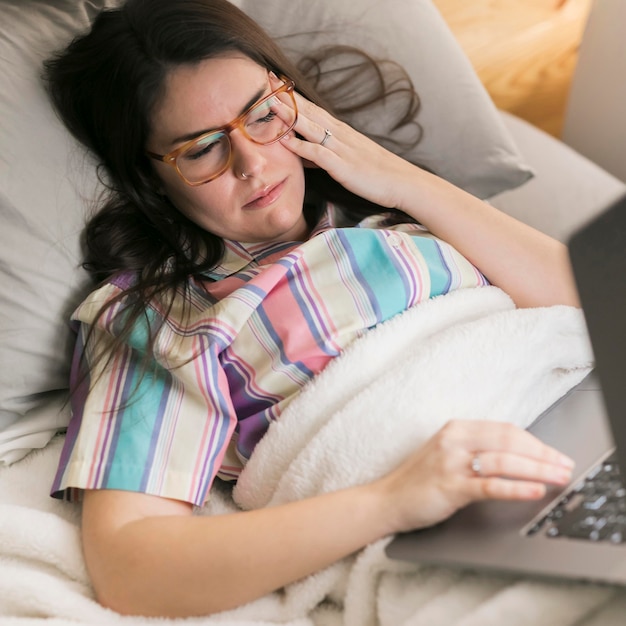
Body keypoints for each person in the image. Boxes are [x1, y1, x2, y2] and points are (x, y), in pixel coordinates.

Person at [44, 0, 581, 618]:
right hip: (474, 525)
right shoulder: (159, 316)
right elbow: (131, 566)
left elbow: (591, 305)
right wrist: (395, 499)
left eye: (262, 114)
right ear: (147, 177)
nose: (253, 162)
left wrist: (395, 177)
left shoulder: (392, 217)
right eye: (201, 150)